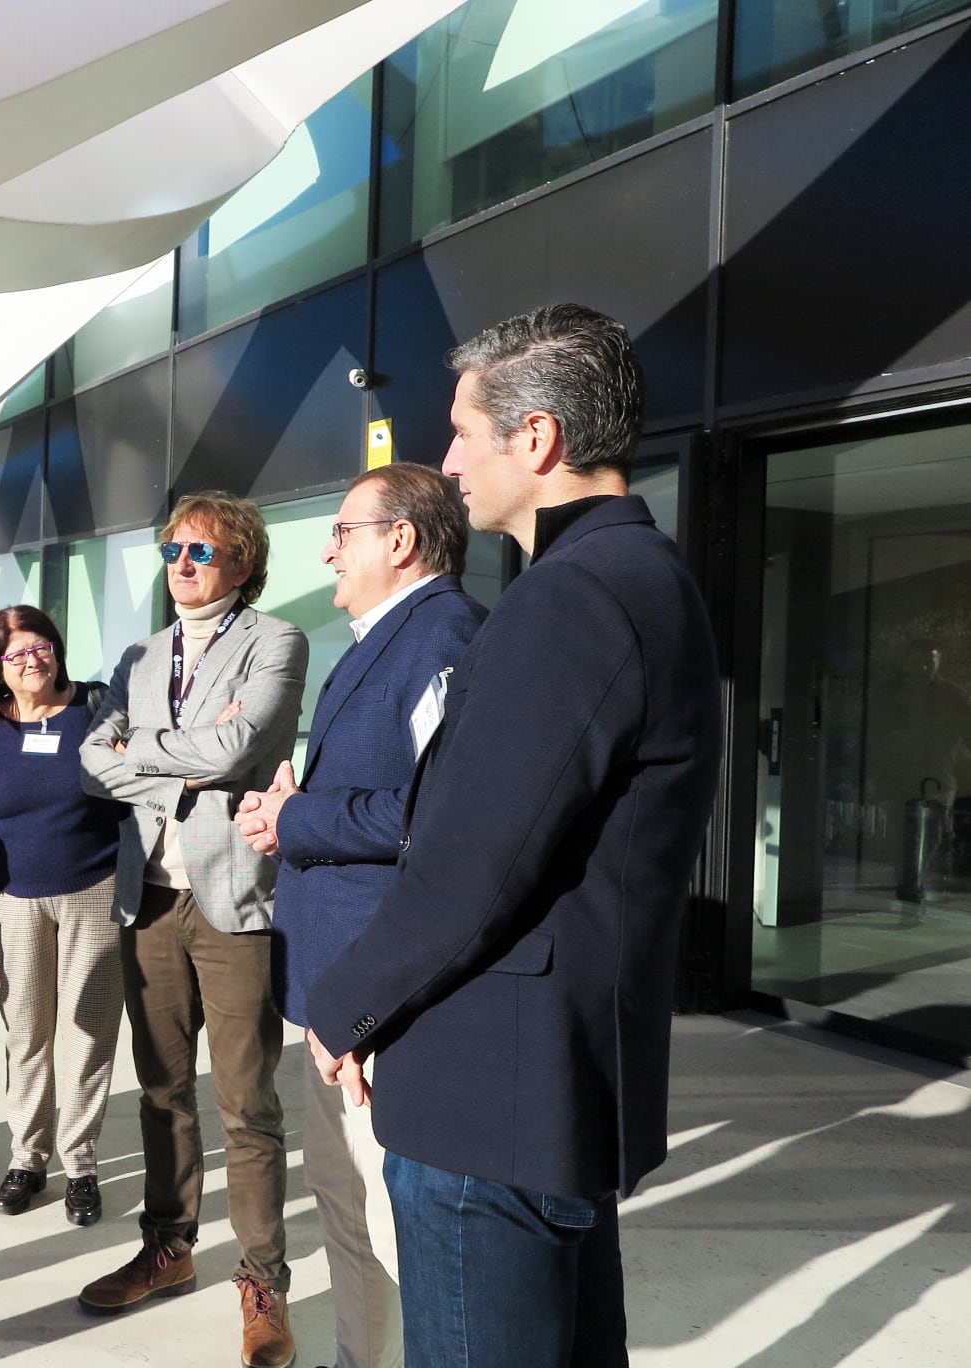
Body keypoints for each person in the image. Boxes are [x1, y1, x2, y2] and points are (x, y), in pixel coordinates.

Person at [305, 304, 724, 1368]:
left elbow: (472, 861)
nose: (445, 465)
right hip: (546, 1092)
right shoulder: (644, 582)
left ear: (533, 440)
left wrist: (343, 1003)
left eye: (460, 431)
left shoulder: (570, 599)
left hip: (486, 1108)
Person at [233, 464, 485, 1368]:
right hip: (332, 984)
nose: (327, 547)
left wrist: (297, 818)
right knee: (342, 1208)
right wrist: (292, 812)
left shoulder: (445, 636)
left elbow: (436, 817)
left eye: (343, 529)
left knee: (384, 1219)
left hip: (378, 996)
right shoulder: (380, 637)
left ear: (401, 541)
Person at [77, 492, 308, 1368]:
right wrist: (177, 755)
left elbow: (237, 750)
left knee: (247, 1106)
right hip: (150, 900)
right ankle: (169, 1249)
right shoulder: (139, 656)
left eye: (201, 552)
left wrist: (148, 750)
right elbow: (93, 764)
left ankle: (262, 1283)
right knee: (162, 1092)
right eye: (173, 548)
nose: (181, 563)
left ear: (242, 562)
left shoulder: (276, 641)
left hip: (235, 904)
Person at [0, 605, 127, 1226]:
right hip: (17, 902)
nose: (32, 660)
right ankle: (27, 1157)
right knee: (27, 1033)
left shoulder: (97, 710)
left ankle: (80, 1164)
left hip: (94, 894)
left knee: (88, 1033)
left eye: (42, 646)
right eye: (16, 653)